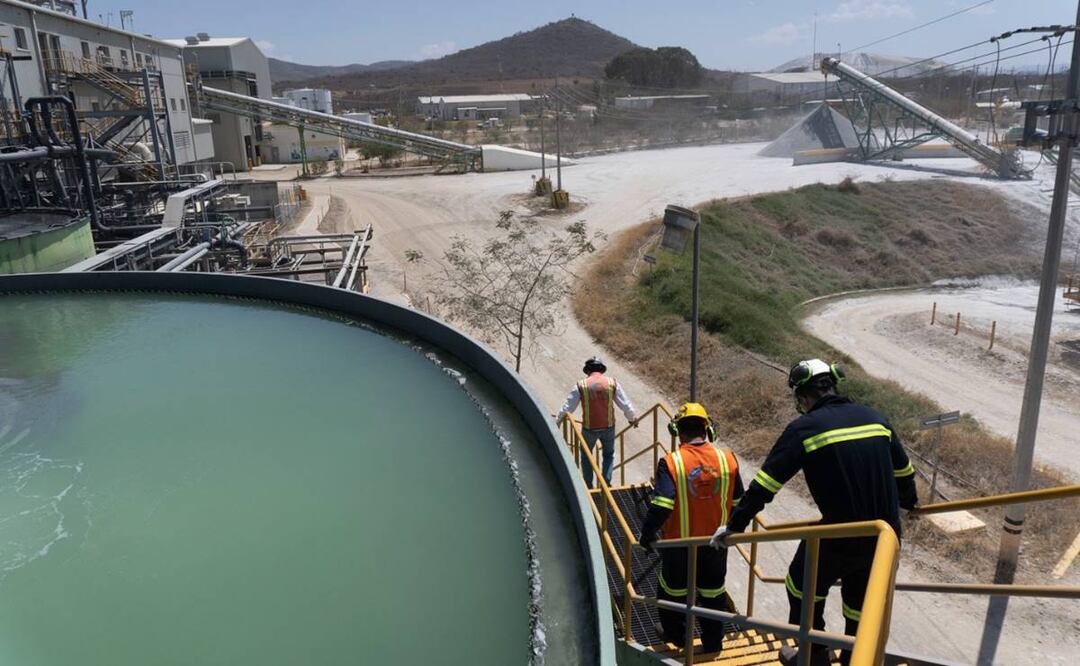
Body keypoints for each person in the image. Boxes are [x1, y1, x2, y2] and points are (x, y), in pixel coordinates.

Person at [710, 359, 918, 666]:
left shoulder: (804, 429)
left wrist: (733, 526)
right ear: (833, 385)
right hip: (885, 537)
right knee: (860, 602)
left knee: (800, 583)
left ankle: (813, 653)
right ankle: (854, 656)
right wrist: (910, 503)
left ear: (803, 397)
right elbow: (904, 472)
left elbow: (765, 485)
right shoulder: (875, 417)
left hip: (840, 536)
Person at [638, 403, 743, 655]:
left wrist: (647, 534)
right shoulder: (726, 458)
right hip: (716, 544)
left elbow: (663, 504)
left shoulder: (671, 462)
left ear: (676, 430)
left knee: (672, 594)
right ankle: (713, 644)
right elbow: (739, 501)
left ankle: (677, 637)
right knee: (713, 595)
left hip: (679, 546)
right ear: (708, 430)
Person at [556, 356, 638, 487]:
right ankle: (605, 482)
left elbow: (568, 407)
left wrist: (557, 423)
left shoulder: (581, 385)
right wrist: (632, 419)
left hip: (590, 429)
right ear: (601, 369)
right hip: (608, 427)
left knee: (586, 455)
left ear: (588, 371)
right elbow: (625, 405)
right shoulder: (612, 383)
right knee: (608, 454)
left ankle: (589, 485)